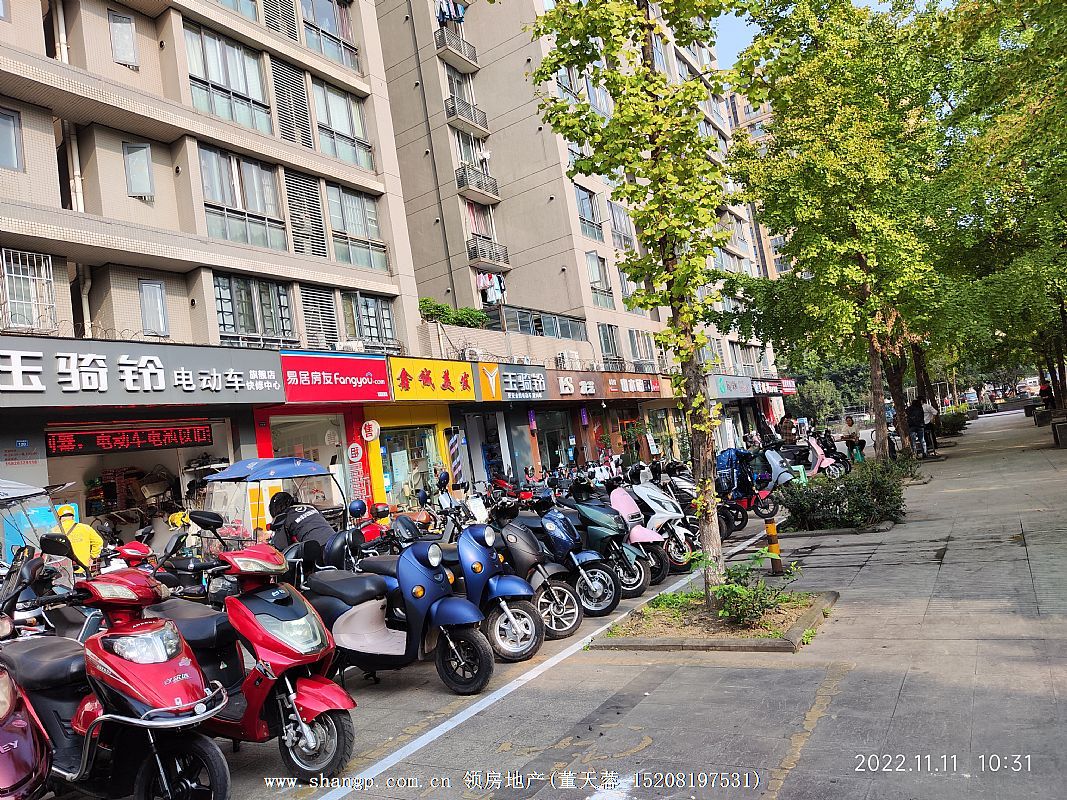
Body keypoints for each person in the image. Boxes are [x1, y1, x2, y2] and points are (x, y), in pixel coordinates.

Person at [268, 491, 336, 551]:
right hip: (336, 540)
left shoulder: (284, 517)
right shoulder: (310, 507)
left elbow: (280, 546)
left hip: (321, 548)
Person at [54, 504, 104, 572]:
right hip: (84, 570)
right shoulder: (86, 528)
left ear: (59, 517)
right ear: (73, 517)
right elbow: (99, 542)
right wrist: (92, 557)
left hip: (65, 572)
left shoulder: (54, 531)